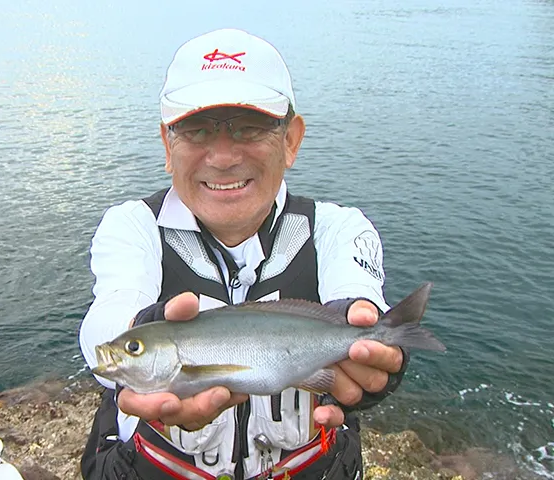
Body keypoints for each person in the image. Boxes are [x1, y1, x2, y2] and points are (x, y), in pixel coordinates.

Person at [79, 28, 408, 480]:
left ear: (291, 139)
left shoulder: (336, 228)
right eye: (195, 129)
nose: (222, 156)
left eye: (249, 126)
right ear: (166, 144)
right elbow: (105, 318)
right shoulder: (131, 226)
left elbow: (359, 296)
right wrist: (140, 329)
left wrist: (372, 353)